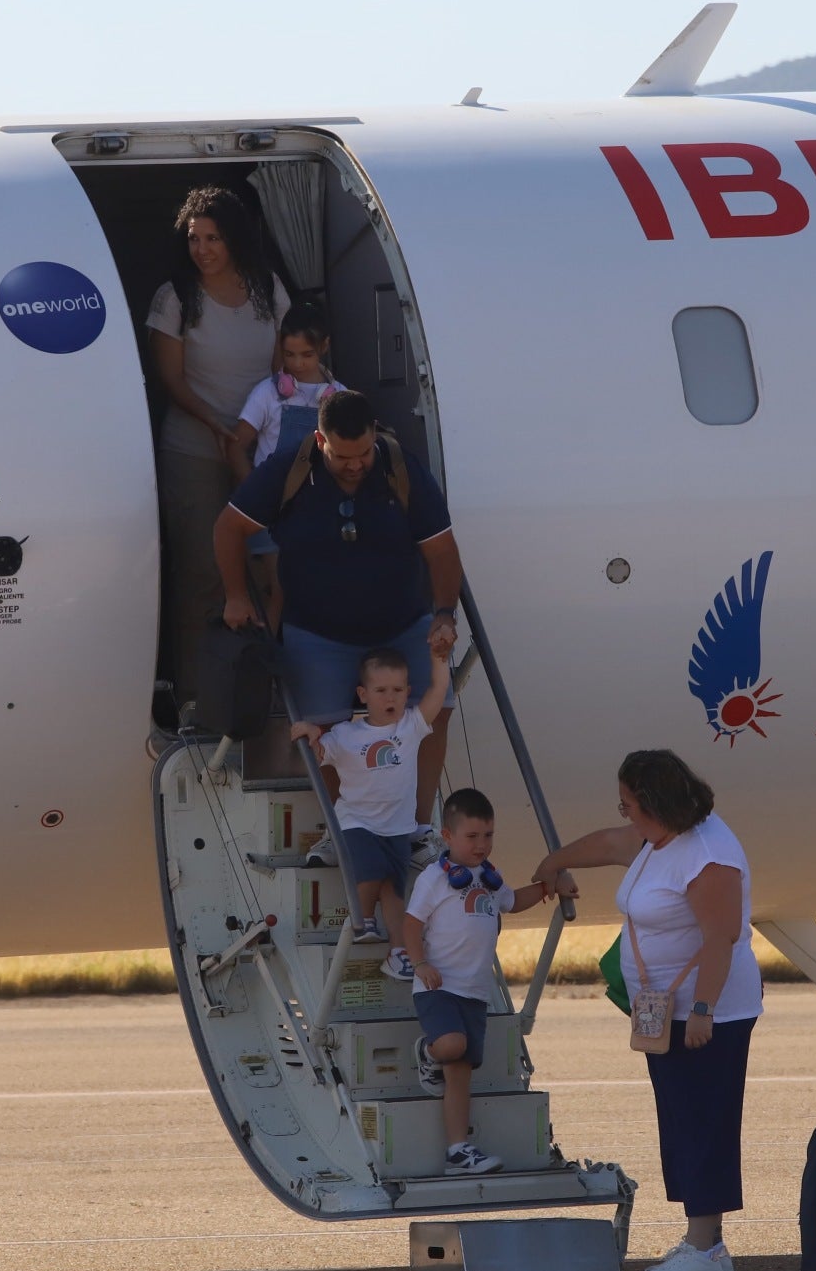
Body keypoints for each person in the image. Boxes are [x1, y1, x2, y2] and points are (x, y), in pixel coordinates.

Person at [533, 750, 761, 1271]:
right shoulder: (659, 838)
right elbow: (610, 843)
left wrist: (703, 1009)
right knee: (682, 1122)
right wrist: (554, 861)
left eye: (631, 805)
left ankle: (704, 1251)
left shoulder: (708, 855)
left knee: (703, 1123)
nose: (626, 814)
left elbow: (720, 938)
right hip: (669, 1014)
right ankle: (706, 1243)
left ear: (659, 804)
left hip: (710, 1014)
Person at [216, 390, 463, 825]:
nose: (354, 465)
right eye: (341, 456)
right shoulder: (289, 470)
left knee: (434, 714)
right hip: (317, 632)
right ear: (319, 439)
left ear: (375, 438)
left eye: (363, 453)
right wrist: (236, 594)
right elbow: (228, 528)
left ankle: (420, 826)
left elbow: (441, 551)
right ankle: (344, 828)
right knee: (324, 735)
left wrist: (445, 612)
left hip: (402, 624)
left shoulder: (400, 468)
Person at [146, 186, 288, 710]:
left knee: (265, 573)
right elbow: (170, 378)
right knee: (205, 575)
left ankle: (258, 697)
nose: (202, 249)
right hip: (195, 450)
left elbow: (281, 369)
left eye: (213, 238)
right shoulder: (175, 296)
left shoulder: (267, 289)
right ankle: (198, 701)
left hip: (255, 450)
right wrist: (216, 425)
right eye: (193, 238)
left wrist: (255, 433)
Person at [404, 787, 574, 1175]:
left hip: (474, 992)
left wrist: (550, 887)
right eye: (472, 836)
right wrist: (419, 963)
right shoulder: (435, 879)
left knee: (461, 1070)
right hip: (439, 987)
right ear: (447, 837)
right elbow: (411, 923)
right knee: (451, 1045)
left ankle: (458, 1150)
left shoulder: (487, 879)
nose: (482, 845)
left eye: (488, 835)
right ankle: (428, 1053)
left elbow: (513, 902)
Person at [292, 641, 454, 982]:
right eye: (381, 690)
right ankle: (361, 919)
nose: (390, 698)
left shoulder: (410, 726)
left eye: (397, 690)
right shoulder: (347, 734)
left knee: (395, 890)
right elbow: (319, 753)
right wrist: (309, 731)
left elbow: (439, 691)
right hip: (357, 822)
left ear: (408, 691)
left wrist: (440, 660)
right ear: (362, 695)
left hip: (396, 827)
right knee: (371, 873)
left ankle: (399, 951)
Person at [227, 303, 346, 635]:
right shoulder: (267, 393)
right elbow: (235, 445)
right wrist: (255, 492)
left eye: (306, 355)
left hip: (317, 511)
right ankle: (273, 670)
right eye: (289, 354)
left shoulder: (339, 398)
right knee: (281, 589)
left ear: (324, 347)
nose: (296, 364)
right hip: (272, 513)